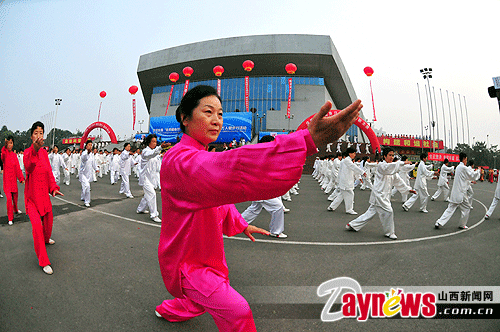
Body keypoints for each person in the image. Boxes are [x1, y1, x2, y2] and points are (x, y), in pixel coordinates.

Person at [155, 85, 363, 330]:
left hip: (206, 254)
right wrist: (304, 140)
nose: (216, 120)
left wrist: (241, 224)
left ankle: (166, 309)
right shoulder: (177, 160)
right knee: (236, 311)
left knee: (200, 301)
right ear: (184, 118)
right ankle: (173, 306)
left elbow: (214, 201)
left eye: (220, 114)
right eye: (208, 112)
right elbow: (231, 165)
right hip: (187, 262)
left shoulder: (198, 156)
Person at [346, 147, 416, 239]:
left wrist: (407, 189)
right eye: (390, 155)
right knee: (389, 211)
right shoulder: (382, 166)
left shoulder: (392, 170)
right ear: (384, 156)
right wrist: (402, 163)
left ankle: (352, 225)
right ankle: (389, 232)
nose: (391, 157)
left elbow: (398, 181)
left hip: (383, 195)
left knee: (370, 213)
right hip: (379, 195)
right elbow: (388, 168)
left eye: (393, 155)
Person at [24, 121, 63, 275]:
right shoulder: (28, 152)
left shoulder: (45, 154)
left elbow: (48, 173)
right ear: (31, 135)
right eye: (36, 133)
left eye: (41, 133)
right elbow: (29, 167)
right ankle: (44, 261)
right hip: (31, 199)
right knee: (37, 229)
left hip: (44, 197)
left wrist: (53, 188)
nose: (39, 136)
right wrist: (35, 148)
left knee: (48, 224)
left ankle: (47, 240)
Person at [240, 136, 289, 238]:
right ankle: (276, 231)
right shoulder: (259, 154)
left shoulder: (262, 153)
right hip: (259, 187)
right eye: (272, 142)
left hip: (259, 185)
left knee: (254, 208)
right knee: (277, 207)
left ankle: (236, 224)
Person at [435, 152, 480, 229]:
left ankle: (439, 222)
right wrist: (478, 171)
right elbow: (473, 175)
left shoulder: (459, 167)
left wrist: (471, 181)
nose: (466, 161)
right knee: (466, 208)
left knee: (450, 208)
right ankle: (462, 224)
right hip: (461, 193)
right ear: (464, 158)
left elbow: (465, 178)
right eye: (466, 159)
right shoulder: (463, 168)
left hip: (456, 192)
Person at [137, 134, 167, 222]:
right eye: (153, 142)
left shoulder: (154, 153)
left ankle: (140, 209)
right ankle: (154, 215)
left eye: (156, 142)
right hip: (145, 178)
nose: (155, 143)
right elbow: (151, 154)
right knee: (152, 194)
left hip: (152, 178)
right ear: (148, 142)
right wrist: (160, 148)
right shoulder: (146, 152)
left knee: (147, 195)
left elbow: (156, 157)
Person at [327, 147, 365, 215]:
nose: (355, 155)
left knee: (341, 195)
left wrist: (358, 176)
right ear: (350, 153)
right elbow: (353, 167)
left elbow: (353, 169)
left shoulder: (346, 160)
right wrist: (362, 172)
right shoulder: (347, 161)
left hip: (344, 181)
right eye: (353, 153)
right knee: (350, 194)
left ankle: (332, 206)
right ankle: (349, 209)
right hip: (346, 181)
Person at [2, 136, 25, 225]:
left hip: (13, 182)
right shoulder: (4, 154)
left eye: (11, 143)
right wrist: (4, 145)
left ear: (13, 144)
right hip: (7, 182)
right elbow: (3, 154)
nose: (10, 145)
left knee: (15, 198)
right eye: (8, 143)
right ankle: (10, 218)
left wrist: (21, 178)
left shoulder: (14, 156)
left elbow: (18, 169)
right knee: (8, 199)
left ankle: (15, 210)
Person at [80, 140, 98, 207]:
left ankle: (82, 197)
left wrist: (96, 169)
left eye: (91, 145)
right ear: (86, 146)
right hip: (83, 173)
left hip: (89, 173)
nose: (90, 146)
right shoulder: (84, 153)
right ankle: (87, 201)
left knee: (85, 186)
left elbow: (93, 162)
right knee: (87, 186)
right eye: (89, 145)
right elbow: (84, 158)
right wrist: (87, 152)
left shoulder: (92, 154)